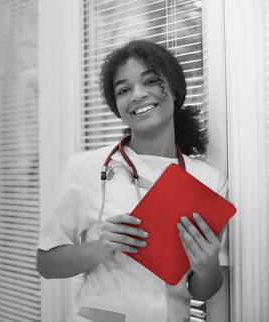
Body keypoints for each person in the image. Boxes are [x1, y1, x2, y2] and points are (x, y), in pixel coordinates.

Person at [36, 39, 227, 322]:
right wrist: (99, 249)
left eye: (150, 81)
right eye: (124, 90)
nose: (137, 94)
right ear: (117, 105)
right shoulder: (86, 168)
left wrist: (208, 265)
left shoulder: (209, 181)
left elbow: (202, 288)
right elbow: (47, 264)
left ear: (174, 88)